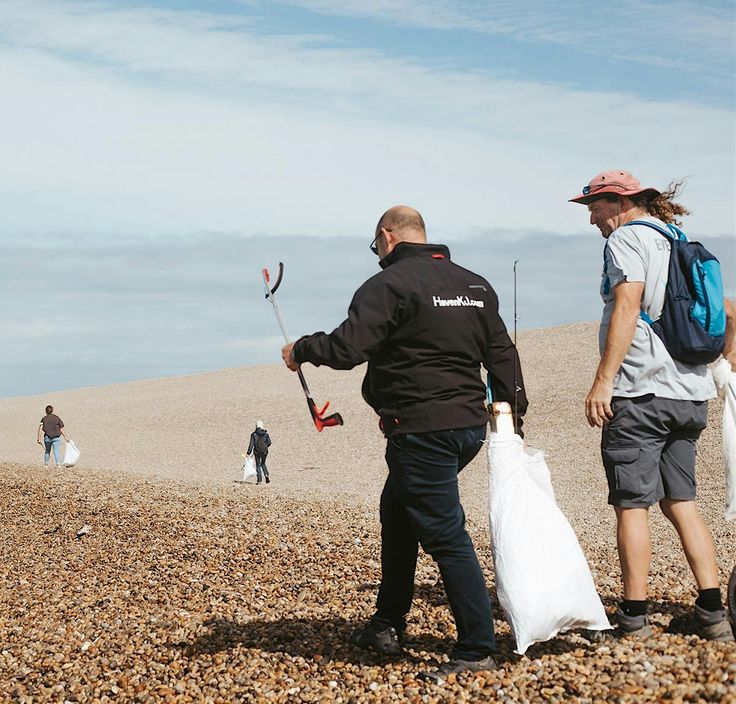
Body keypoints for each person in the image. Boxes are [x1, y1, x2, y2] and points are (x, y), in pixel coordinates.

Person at [280, 205, 527, 682]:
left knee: (445, 534)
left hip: (423, 430)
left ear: (387, 237)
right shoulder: (474, 285)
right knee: (398, 511)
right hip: (467, 429)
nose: (377, 255)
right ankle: (386, 622)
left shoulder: (388, 284)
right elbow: (502, 353)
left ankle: (477, 648)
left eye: (377, 247)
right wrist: (515, 416)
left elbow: (348, 348)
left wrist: (303, 350)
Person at [571, 171, 732, 642]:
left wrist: (604, 383)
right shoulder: (677, 240)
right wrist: (728, 358)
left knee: (631, 506)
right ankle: (712, 613)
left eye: (594, 207)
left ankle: (634, 617)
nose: (592, 218)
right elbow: (729, 309)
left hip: (640, 393)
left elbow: (626, 306)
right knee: (682, 503)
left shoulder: (626, 241)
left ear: (619, 201)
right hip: (690, 395)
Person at [246, 420, 271, 484]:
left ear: (256, 426)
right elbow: (269, 443)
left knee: (258, 465)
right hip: (265, 451)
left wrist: (248, 452)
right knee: (263, 463)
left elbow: (251, 444)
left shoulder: (253, 434)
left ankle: (259, 481)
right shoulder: (266, 434)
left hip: (257, 452)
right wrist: (265, 446)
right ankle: (266, 474)